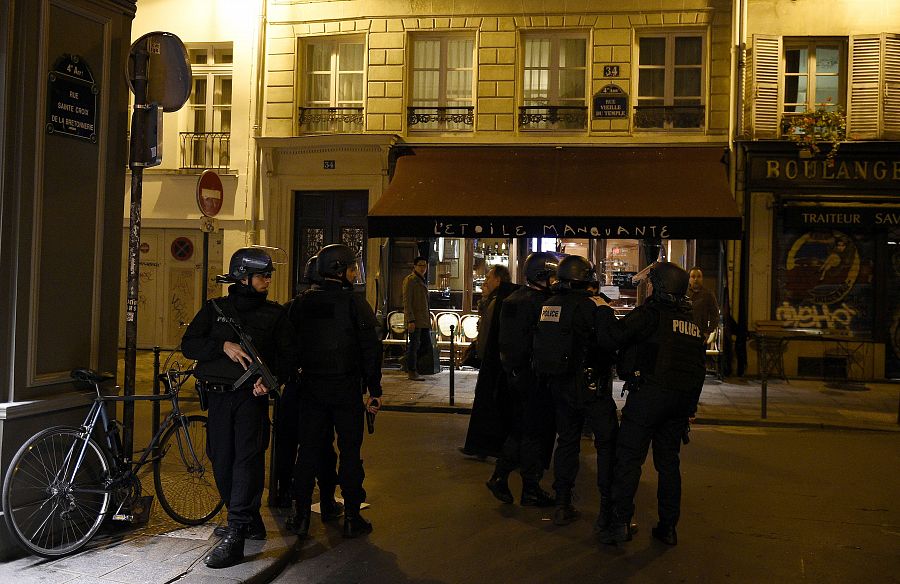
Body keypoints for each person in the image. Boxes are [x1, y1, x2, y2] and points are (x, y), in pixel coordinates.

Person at [182, 247, 297, 569]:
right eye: (263, 275)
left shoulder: (275, 315)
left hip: (250, 397)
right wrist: (222, 345)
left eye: (269, 275)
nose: (268, 281)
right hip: (217, 397)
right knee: (220, 458)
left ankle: (236, 532)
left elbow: (288, 356)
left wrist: (271, 381)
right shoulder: (215, 308)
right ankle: (248, 520)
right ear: (243, 277)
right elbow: (189, 344)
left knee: (246, 461)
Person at [596, 262, 707, 546]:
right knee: (668, 465)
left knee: (629, 460)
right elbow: (698, 368)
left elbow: (614, 338)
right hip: (679, 402)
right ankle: (668, 528)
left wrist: (603, 309)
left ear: (659, 287)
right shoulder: (692, 323)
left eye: (650, 284)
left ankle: (620, 522)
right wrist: (690, 408)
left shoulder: (650, 315)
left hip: (649, 397)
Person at [289, 244, 383, 539]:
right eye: (353, 268)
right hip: (345, 388)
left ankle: (301, 515)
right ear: (340, 270)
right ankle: (352, 517)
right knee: (350, 452)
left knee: (309, 451)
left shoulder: (301, 303)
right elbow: (371, 349)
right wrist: (374, 389)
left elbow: (288, 344)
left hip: (312, 387)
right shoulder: (355, 304)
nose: (355, 274)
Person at [532, 256, 619, 528]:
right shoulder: (595, 306)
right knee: (607, 444)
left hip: (560, 385)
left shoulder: (548, 305)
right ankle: (608, 510)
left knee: (567, 442)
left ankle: (562, 503)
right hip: (592, 387)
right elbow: (611, 343)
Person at [485, 252, 561, 507]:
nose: (554, 282)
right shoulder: (533, 302)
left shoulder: (518, 298)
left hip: (519, 375)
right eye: (551, 276)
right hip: (529, 377)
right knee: (532, 432)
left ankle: (502, 477)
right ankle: (528, 486)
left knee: (522, 430)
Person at [271, 255, 340, 520]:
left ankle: (284, 494)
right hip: (317, 387)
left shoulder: (291, 307)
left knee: (288, 443)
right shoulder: (333, 306)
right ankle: (325, 501)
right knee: (321, 446)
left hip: (294, 385)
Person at [460, 264, 517, 459]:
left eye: (489, 277)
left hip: (492, 362)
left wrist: (480, 353)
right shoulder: (500, 300)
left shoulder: (496, 302)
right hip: (498, 361)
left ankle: (485, 447)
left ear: (498, 280)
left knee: (488, 404)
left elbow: (486, 335)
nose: (485, 281)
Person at [402, 256, 433, 381]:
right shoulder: (410, 280)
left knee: (425, 345)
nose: (422, 268)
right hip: (415, 319)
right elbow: (407, 301)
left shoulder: (422, 280)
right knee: (414, 346)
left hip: (423, 319)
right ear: (414, 266)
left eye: (424, 266)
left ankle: (407, 361)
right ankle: (411, 370)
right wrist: (410, 319)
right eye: (420, 265)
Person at [688, 267, 719, 340]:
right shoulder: (684, 294)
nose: (696, 279)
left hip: (701, 334)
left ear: (702, 278)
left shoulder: (708, 295)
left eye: (698, 276)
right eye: (693, 277)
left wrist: (708, 332)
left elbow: (715, 315)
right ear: (689, 279)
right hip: (686, 333)